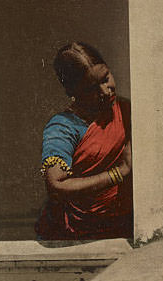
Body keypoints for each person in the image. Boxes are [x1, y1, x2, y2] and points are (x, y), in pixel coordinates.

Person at [35, 42, 132, 240]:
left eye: (106, 78)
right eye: (91, 88)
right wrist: (119, 173)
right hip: (76, 235)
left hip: (124, 227)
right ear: (72, 92)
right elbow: (57, 185)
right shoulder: (63, 128)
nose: (106, 91)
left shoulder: (124, 110)